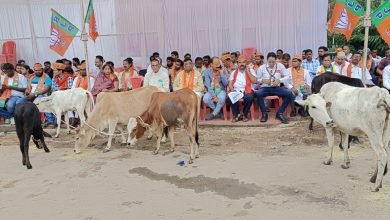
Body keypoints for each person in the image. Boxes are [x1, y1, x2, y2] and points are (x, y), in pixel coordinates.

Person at [255, 52, 292, 124]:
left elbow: (288, 76)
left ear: (276, 60)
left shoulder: (280, 66)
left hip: (276, 88)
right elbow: (257, 80)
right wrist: (263, 80)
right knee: (259, 93)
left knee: (289, 93)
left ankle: (280, 113)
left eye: (273, 62)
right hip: (265, 88)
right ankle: (264, 113)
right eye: (269, 62)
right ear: (267, 60)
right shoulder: (262, 68)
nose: (271, 63)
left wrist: (279, 80)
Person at [227, 56, 257, 122]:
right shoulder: (234, 72)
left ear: (246, 63)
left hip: (248, 89)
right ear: (237, 63)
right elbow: (230, 83)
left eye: (243, 62)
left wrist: (248, 72)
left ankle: (244, 114)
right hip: (237, 90)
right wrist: (232, 90)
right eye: (240, 62)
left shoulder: (251, 70)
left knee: (249, 97)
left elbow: (254, 81)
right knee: (230, 97)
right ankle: (237, 115)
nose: (241, 64)